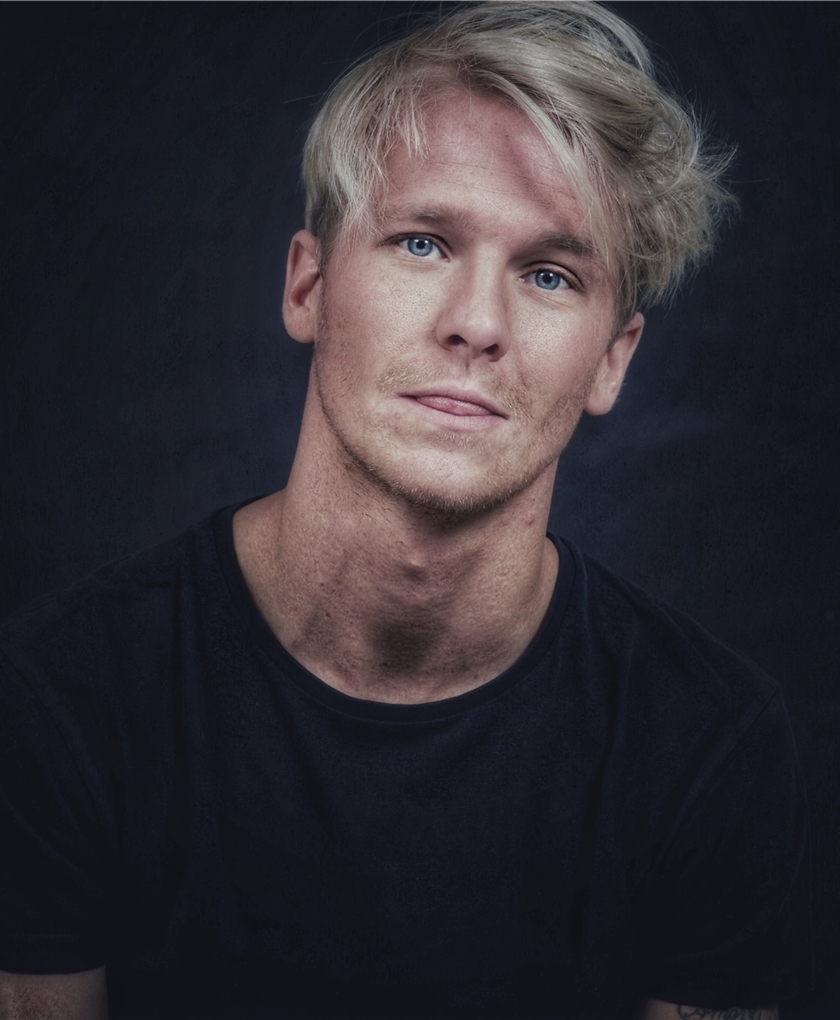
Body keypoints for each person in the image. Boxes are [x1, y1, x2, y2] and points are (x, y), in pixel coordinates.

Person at [0, 3, 811, 1019]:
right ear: (309, 286)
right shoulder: (57, 701)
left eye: (550, 274)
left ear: (613, 360)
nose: (477, 323)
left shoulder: (710, 744)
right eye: (423, 243)